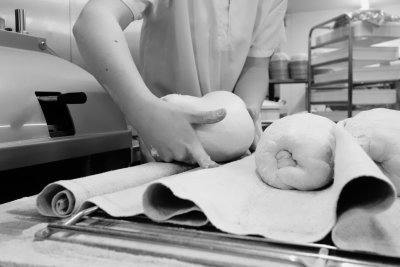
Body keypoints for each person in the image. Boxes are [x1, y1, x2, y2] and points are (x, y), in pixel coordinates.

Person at [73, 0, 288, 168]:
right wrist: (142, 110)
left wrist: (245, 115)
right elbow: (94, 20)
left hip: (232, 154)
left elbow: (256, 64)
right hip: (163, 144)